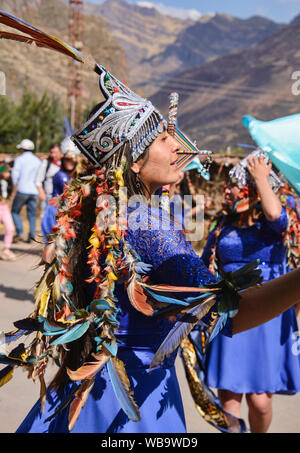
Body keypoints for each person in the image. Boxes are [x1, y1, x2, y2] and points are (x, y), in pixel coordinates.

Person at [2, 66, 300, 435]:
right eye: (161, 138)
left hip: (93, 383)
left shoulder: (108, 211)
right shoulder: (148, 223)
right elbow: (230, 314)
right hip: (132, 399)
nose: (178, 145)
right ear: (135, 161)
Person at [201, 152, 300, 433]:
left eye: (233, 185)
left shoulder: (274, 225)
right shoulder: (222, 225)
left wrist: (259, 176)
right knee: (228, 397)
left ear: (252, 190)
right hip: (230, 310)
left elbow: (274, 214)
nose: (226, 190)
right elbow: (203, 265)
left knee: (260, 402)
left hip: (268, 313)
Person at [41, 139, 79, 239]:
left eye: (71, 159)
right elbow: (68, 193)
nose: (69, 162)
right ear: (63, 160)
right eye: (67, 159)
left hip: (64, 210)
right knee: (54, 243)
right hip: (56, 211)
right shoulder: (61, 176)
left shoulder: (73, 175)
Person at [11, 139, 41, 243]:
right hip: (34, 191)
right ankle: (31, 236)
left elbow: (15, 174)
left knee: (14, 211)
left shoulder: (20, 159)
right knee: (31, 215)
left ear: (23, 149)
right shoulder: (37, 161)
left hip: (22, 189)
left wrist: (15, 186)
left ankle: (19, 232)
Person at [36, 143, 63, 216]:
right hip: (49, 197)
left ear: (61, 152)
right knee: (47, 219)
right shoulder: (46, 163)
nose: (53, 155)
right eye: (51, 152)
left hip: (62, 197)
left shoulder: (65, 164)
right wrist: (41, 193)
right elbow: (38, 180)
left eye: (55, 152)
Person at [0, 163, 16, 261]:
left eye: (9, 172)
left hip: (4, 207)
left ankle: (6, 250)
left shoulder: (7, 182)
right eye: (6, 172)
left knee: (10, 228)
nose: (8, 174)